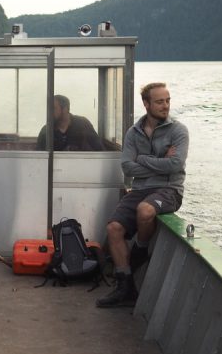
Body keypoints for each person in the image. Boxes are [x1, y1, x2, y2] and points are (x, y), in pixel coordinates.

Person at [96, 82, 189, 308]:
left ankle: (140, 249)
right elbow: (127, 167)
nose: (165, 105)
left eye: (167, 100)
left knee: (145, 210)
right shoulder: (133, 132)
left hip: (169, 190)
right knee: (113, 229)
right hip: (140, 189)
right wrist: (160, 162)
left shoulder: (178, 131)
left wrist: (142, 159)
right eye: (159, 101)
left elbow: (176, 165)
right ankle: (125, 286)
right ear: (146, 104)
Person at [36, 95, 104, 151]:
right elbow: (40, 157)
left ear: (65, 109)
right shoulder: (46, 130)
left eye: (53, 108)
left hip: (80, 165)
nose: (50, 112)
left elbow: (99, 149)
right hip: (56, 167)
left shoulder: (83, 124)